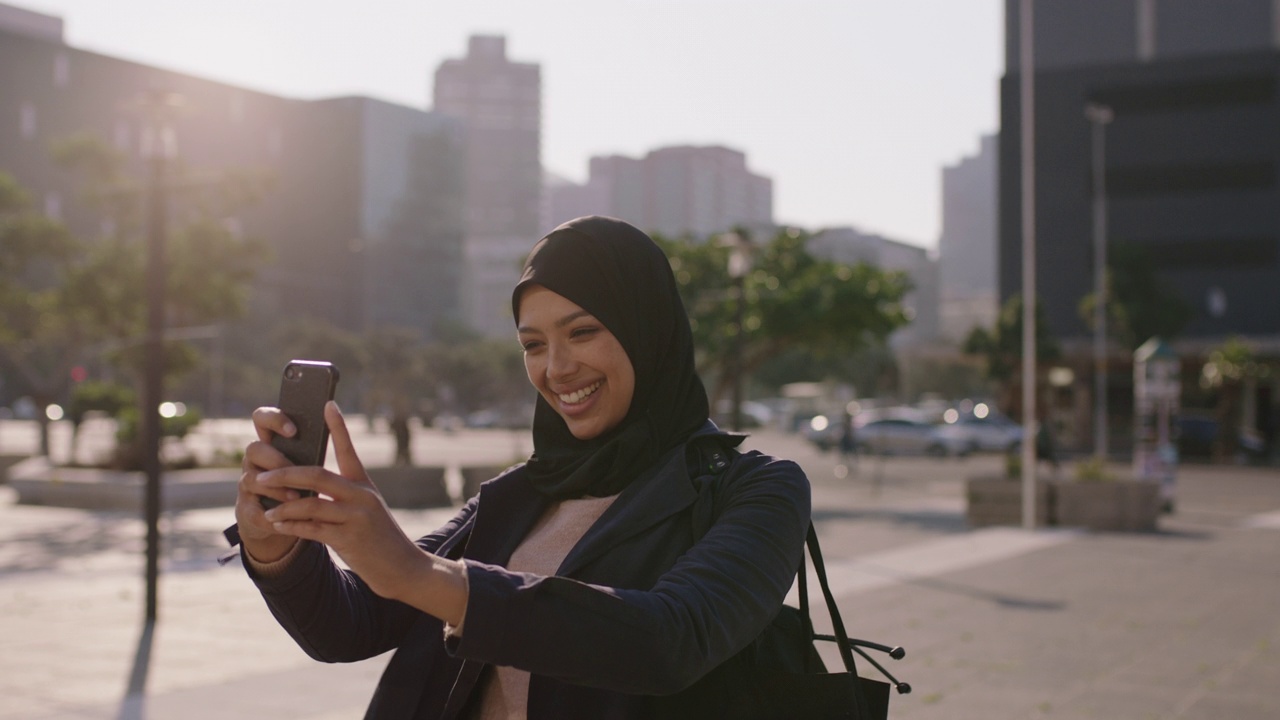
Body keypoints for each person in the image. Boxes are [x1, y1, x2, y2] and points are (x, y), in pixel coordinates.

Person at [233, 216, 812, 719]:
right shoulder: (518, 494)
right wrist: (279, 545)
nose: (556, 368)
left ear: (648, 330)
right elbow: (348, 625)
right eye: (533, 344)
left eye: (582, 332)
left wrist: (418, 573)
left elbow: (670, 640)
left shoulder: (757, 491)